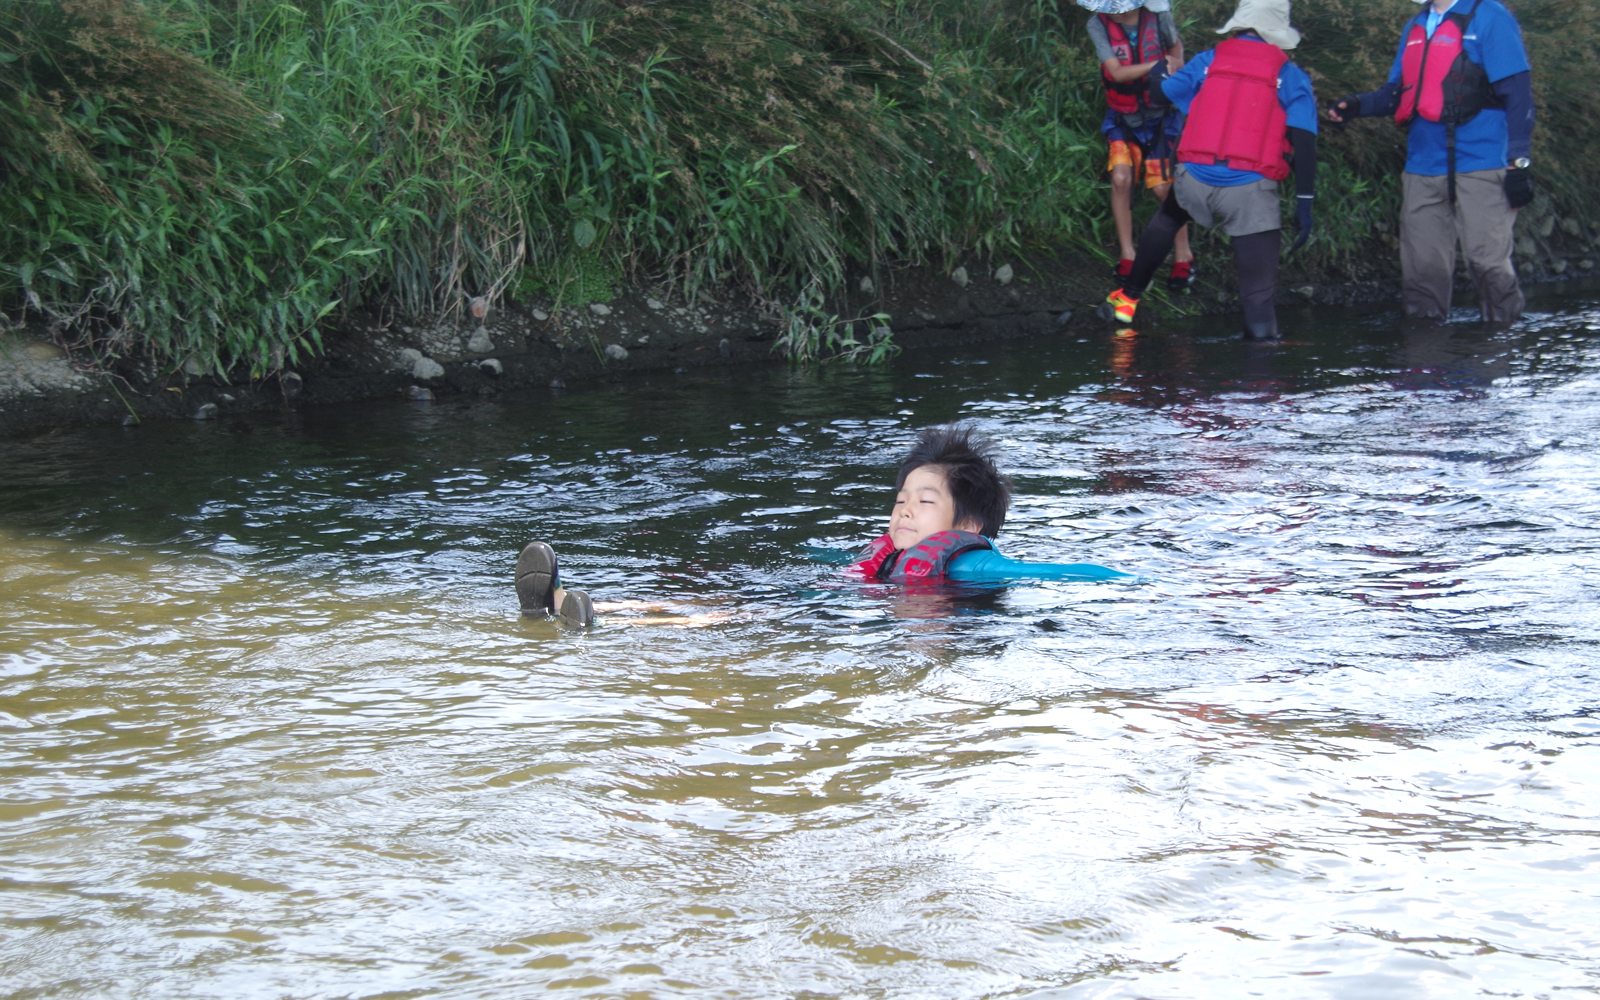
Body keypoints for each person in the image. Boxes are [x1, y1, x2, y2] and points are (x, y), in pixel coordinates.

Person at [515, 426, 1128, 625]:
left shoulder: (971, 561)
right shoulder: (884, 554)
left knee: (739, 615)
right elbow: (836, 562)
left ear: (965, 523)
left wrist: (1126, 576)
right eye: (901, 499)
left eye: (925, 501)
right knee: (736, 598)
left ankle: (593, 613)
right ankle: (572, 602)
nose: (905, 510)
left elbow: (1056, 572)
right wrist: (813, 556)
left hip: (887, 627)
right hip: (843, 606)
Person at [1099, 0, 1318, 341]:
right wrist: (1305, 202)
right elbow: (1304, 142)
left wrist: (1158, 69)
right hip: (1249, 191)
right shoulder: (1290, 76)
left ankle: (1127, 298)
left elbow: (1159, 94)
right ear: (1276, 33)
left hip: (1194, 180)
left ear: (1239, 25)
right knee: (1258, 297)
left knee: (1169, 216)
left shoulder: (1208, 60)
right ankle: (1259, 374)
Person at [1326, 0, 1534, 324]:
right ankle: (1425, 362)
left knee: (1487, 263)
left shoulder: (1491, 17)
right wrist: (1357, 105)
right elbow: (1397, 92)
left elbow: (1518, 94)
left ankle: (1501, 349)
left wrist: (1518, 163)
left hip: (1482, 161)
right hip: (1423, 165)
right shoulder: (1417, 24)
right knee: (1422, 271)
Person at [1080, 0, 1196, 290]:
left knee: (1162, 186)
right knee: (1120, 178)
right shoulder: (1097, 24)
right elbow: (1117, 73)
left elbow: (1175, 50)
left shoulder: (1159, 16)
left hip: (1161, 115)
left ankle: (1184, 255)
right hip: (1122, 117)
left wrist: (1175, 68)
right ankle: (1127, 253)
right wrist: (1157, 65)